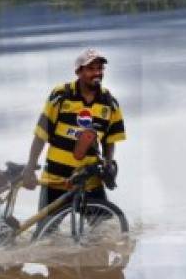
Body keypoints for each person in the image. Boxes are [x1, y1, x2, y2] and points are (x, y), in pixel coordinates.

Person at [22, 48, 126, 211]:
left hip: (89, 179)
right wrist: (30, 167)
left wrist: (107, 164)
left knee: (103, 230)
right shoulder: (61, 95)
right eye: (90, 69)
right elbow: (41, 134)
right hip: (56, 178)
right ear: (78, 71)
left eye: (99, 68)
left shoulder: (109, 102)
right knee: (46, 232)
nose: (96, 73)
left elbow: (110, 140)